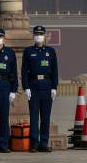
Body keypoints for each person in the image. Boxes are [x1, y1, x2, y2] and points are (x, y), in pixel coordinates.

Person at [21, 25, 59, 153]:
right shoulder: (28, 51)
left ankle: (44, 143)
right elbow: (24, 72)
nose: (38, 36)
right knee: (34, 117)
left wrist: (54, 87)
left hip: (47, 86)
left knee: (45, 117)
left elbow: (55, 71)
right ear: (33, 36)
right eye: (36, 34)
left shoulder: (50, 51)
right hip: (33, 86)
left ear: (44, 36)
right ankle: (34, 144)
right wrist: (26, 87)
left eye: (40, 34)